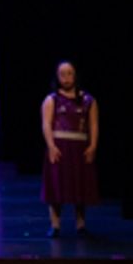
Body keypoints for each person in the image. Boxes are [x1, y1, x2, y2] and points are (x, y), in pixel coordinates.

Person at [41, 60, 98, 236]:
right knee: (56, 186)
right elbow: (46, 124)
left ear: (75, 75)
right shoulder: (52, 100)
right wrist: (51, 146)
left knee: (79, 186)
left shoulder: (88, 100)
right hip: (60, 146)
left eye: (69, 73)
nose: (66, 78)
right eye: (62, 74)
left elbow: (94, 125)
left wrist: (93, 146)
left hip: (79, 146)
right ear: (57, 77)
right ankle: (55, 224)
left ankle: (80, 224)